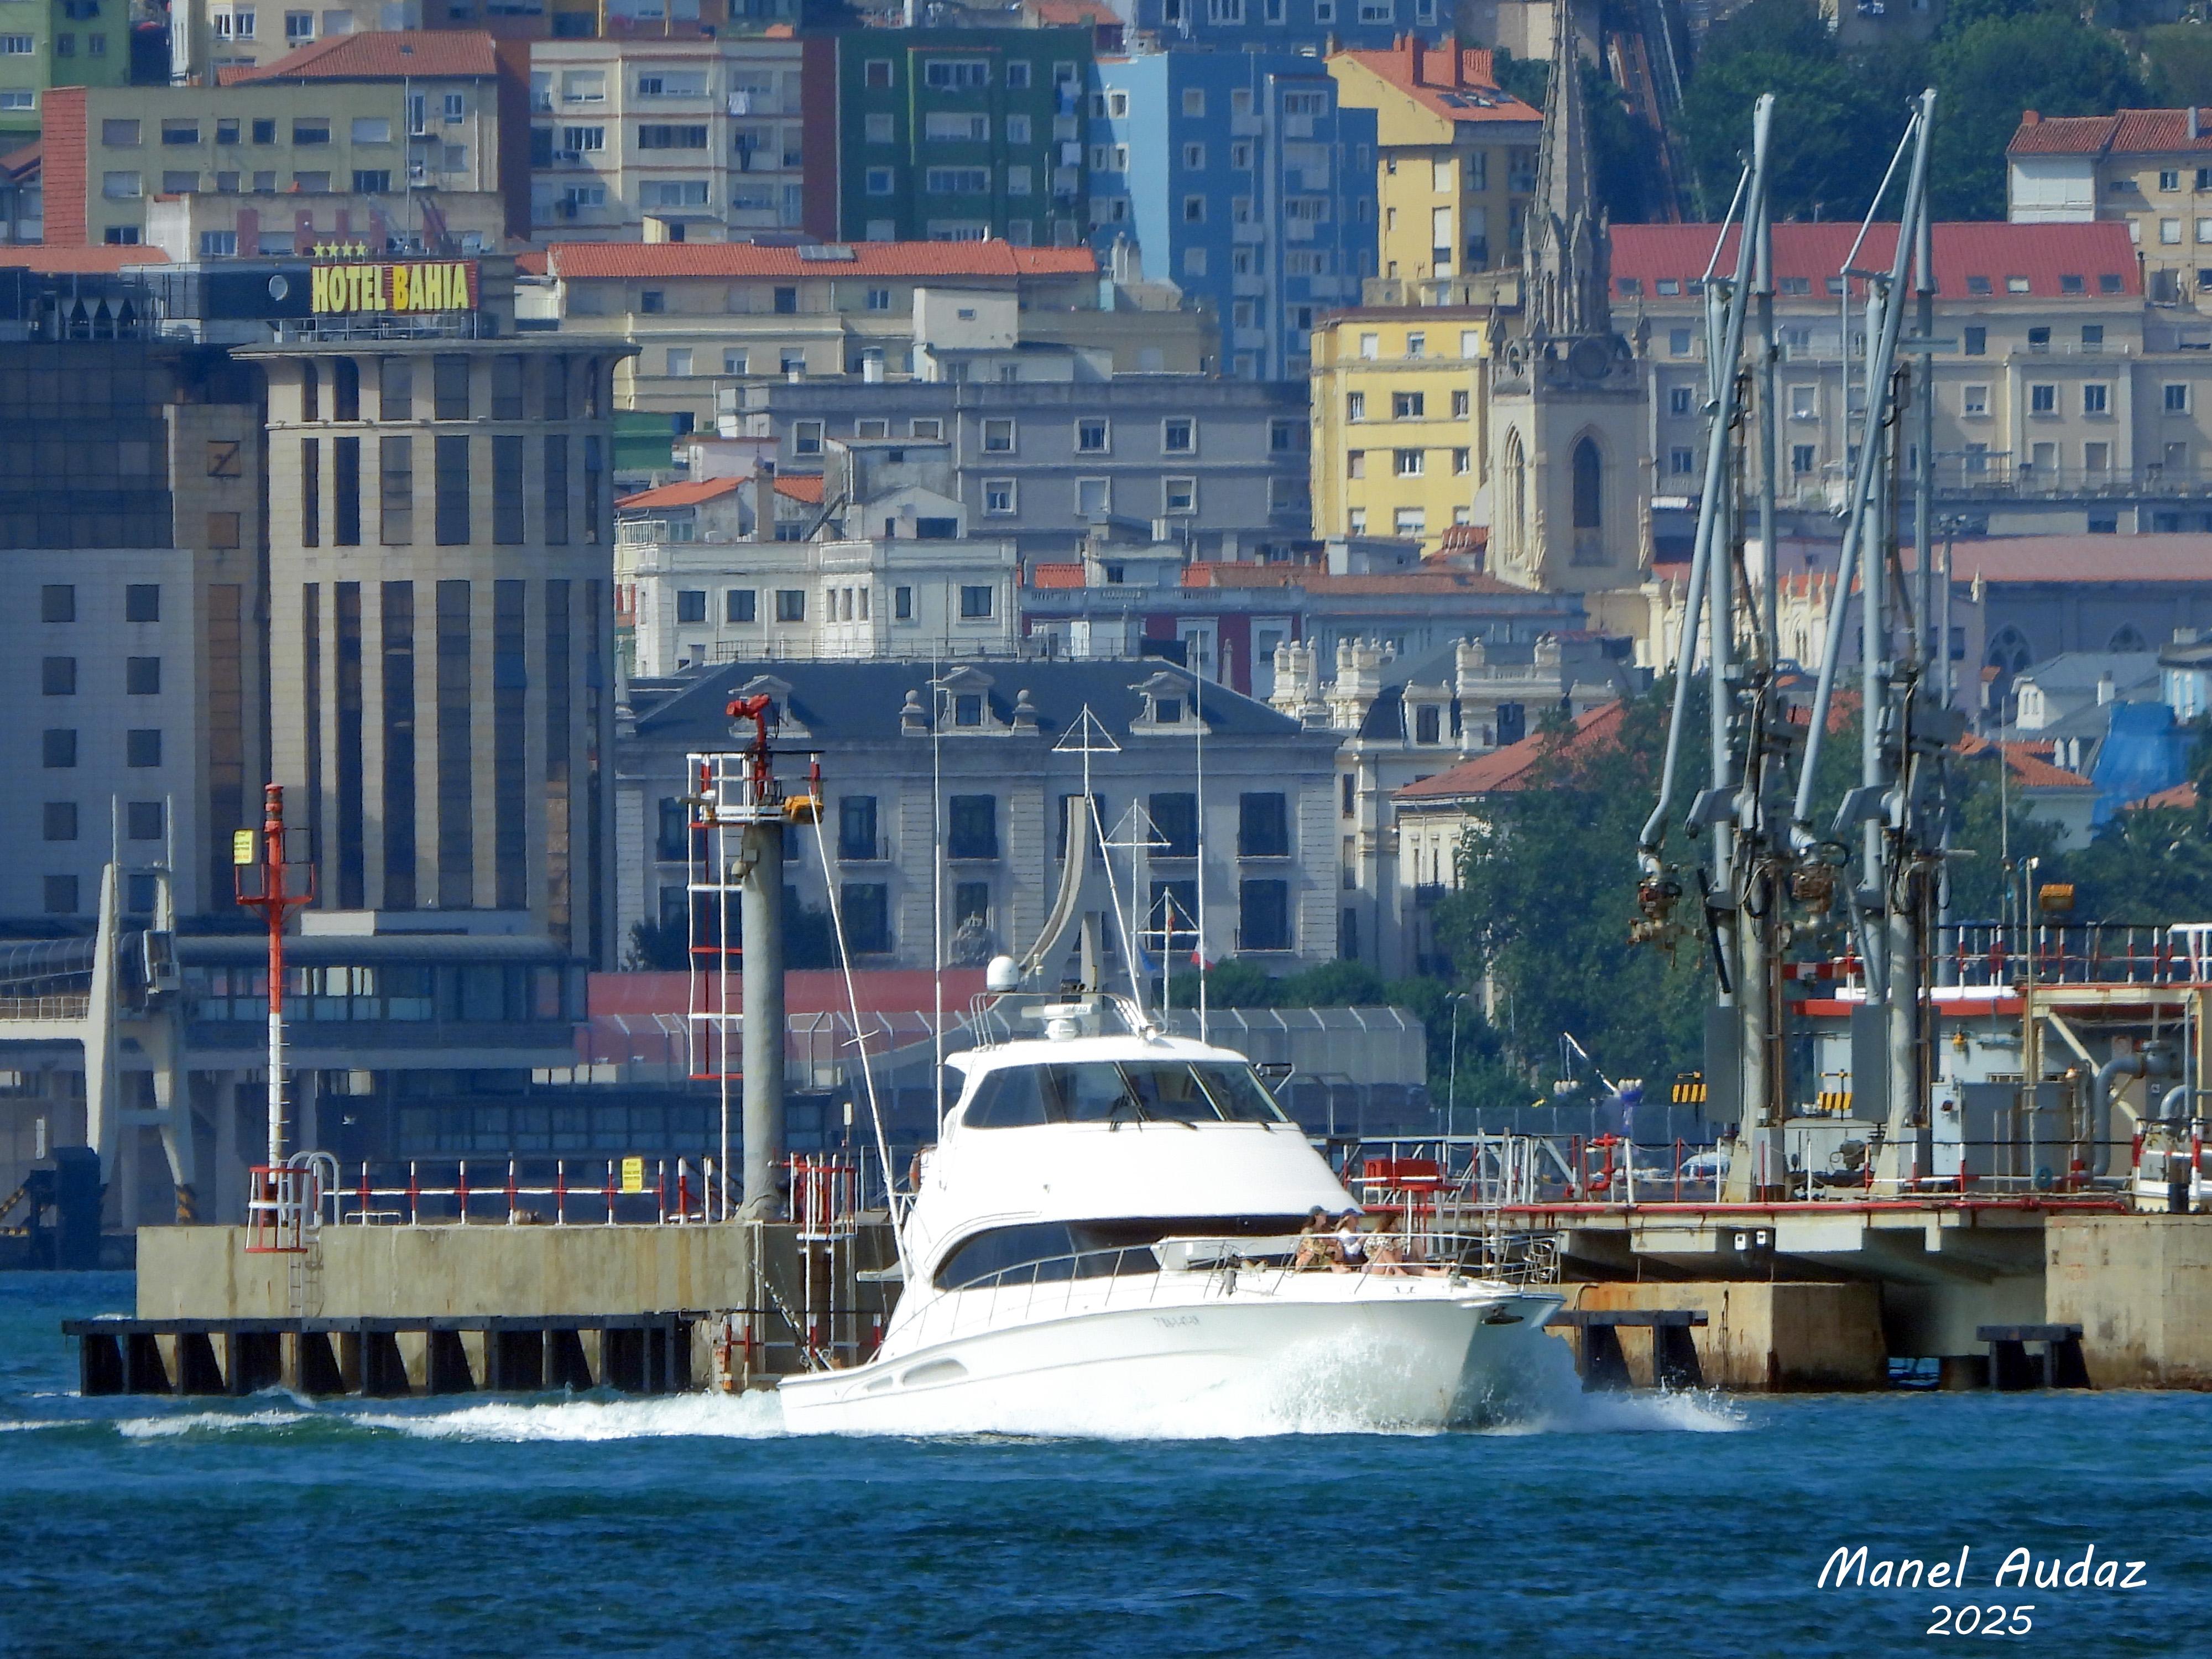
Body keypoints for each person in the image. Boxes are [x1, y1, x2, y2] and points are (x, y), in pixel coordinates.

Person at [1292, 1206, 1338, 1270]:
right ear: (1316, 1217)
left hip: (1324, 1259)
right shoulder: (1307, 1231)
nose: (1325, 1217)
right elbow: (1312, 1246)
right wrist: (1327, 1248)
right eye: (1322, 1215)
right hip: (1310, 1260)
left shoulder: (1326, 1230)